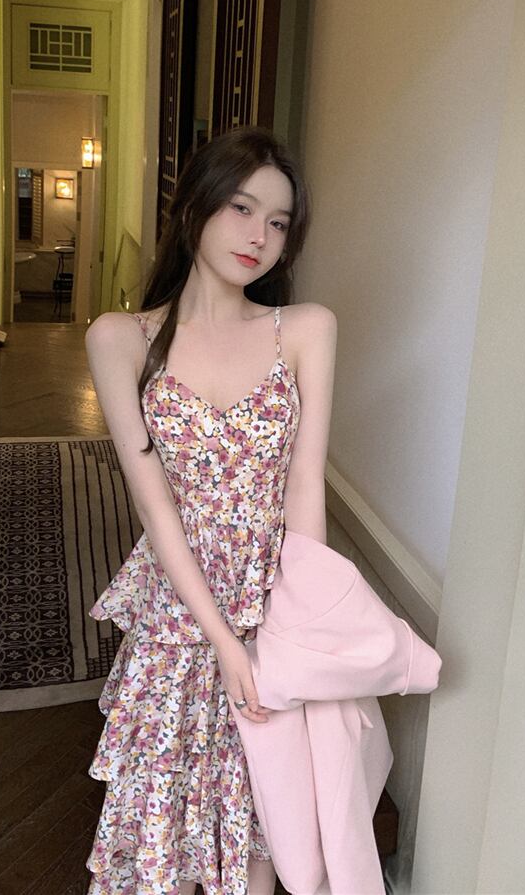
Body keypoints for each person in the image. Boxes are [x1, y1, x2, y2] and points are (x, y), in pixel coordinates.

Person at [83, 125, 337, 895]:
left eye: (279, 222)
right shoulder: (122, 338)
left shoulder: (306, 329)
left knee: (264, 815)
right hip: (177, 615)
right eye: (242, 208)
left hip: (272, 603)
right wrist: (224, 642)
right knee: (165, 830)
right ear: (195, 204)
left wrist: (299, 627)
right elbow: (156, 508)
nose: (260, 235)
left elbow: (306, 485)